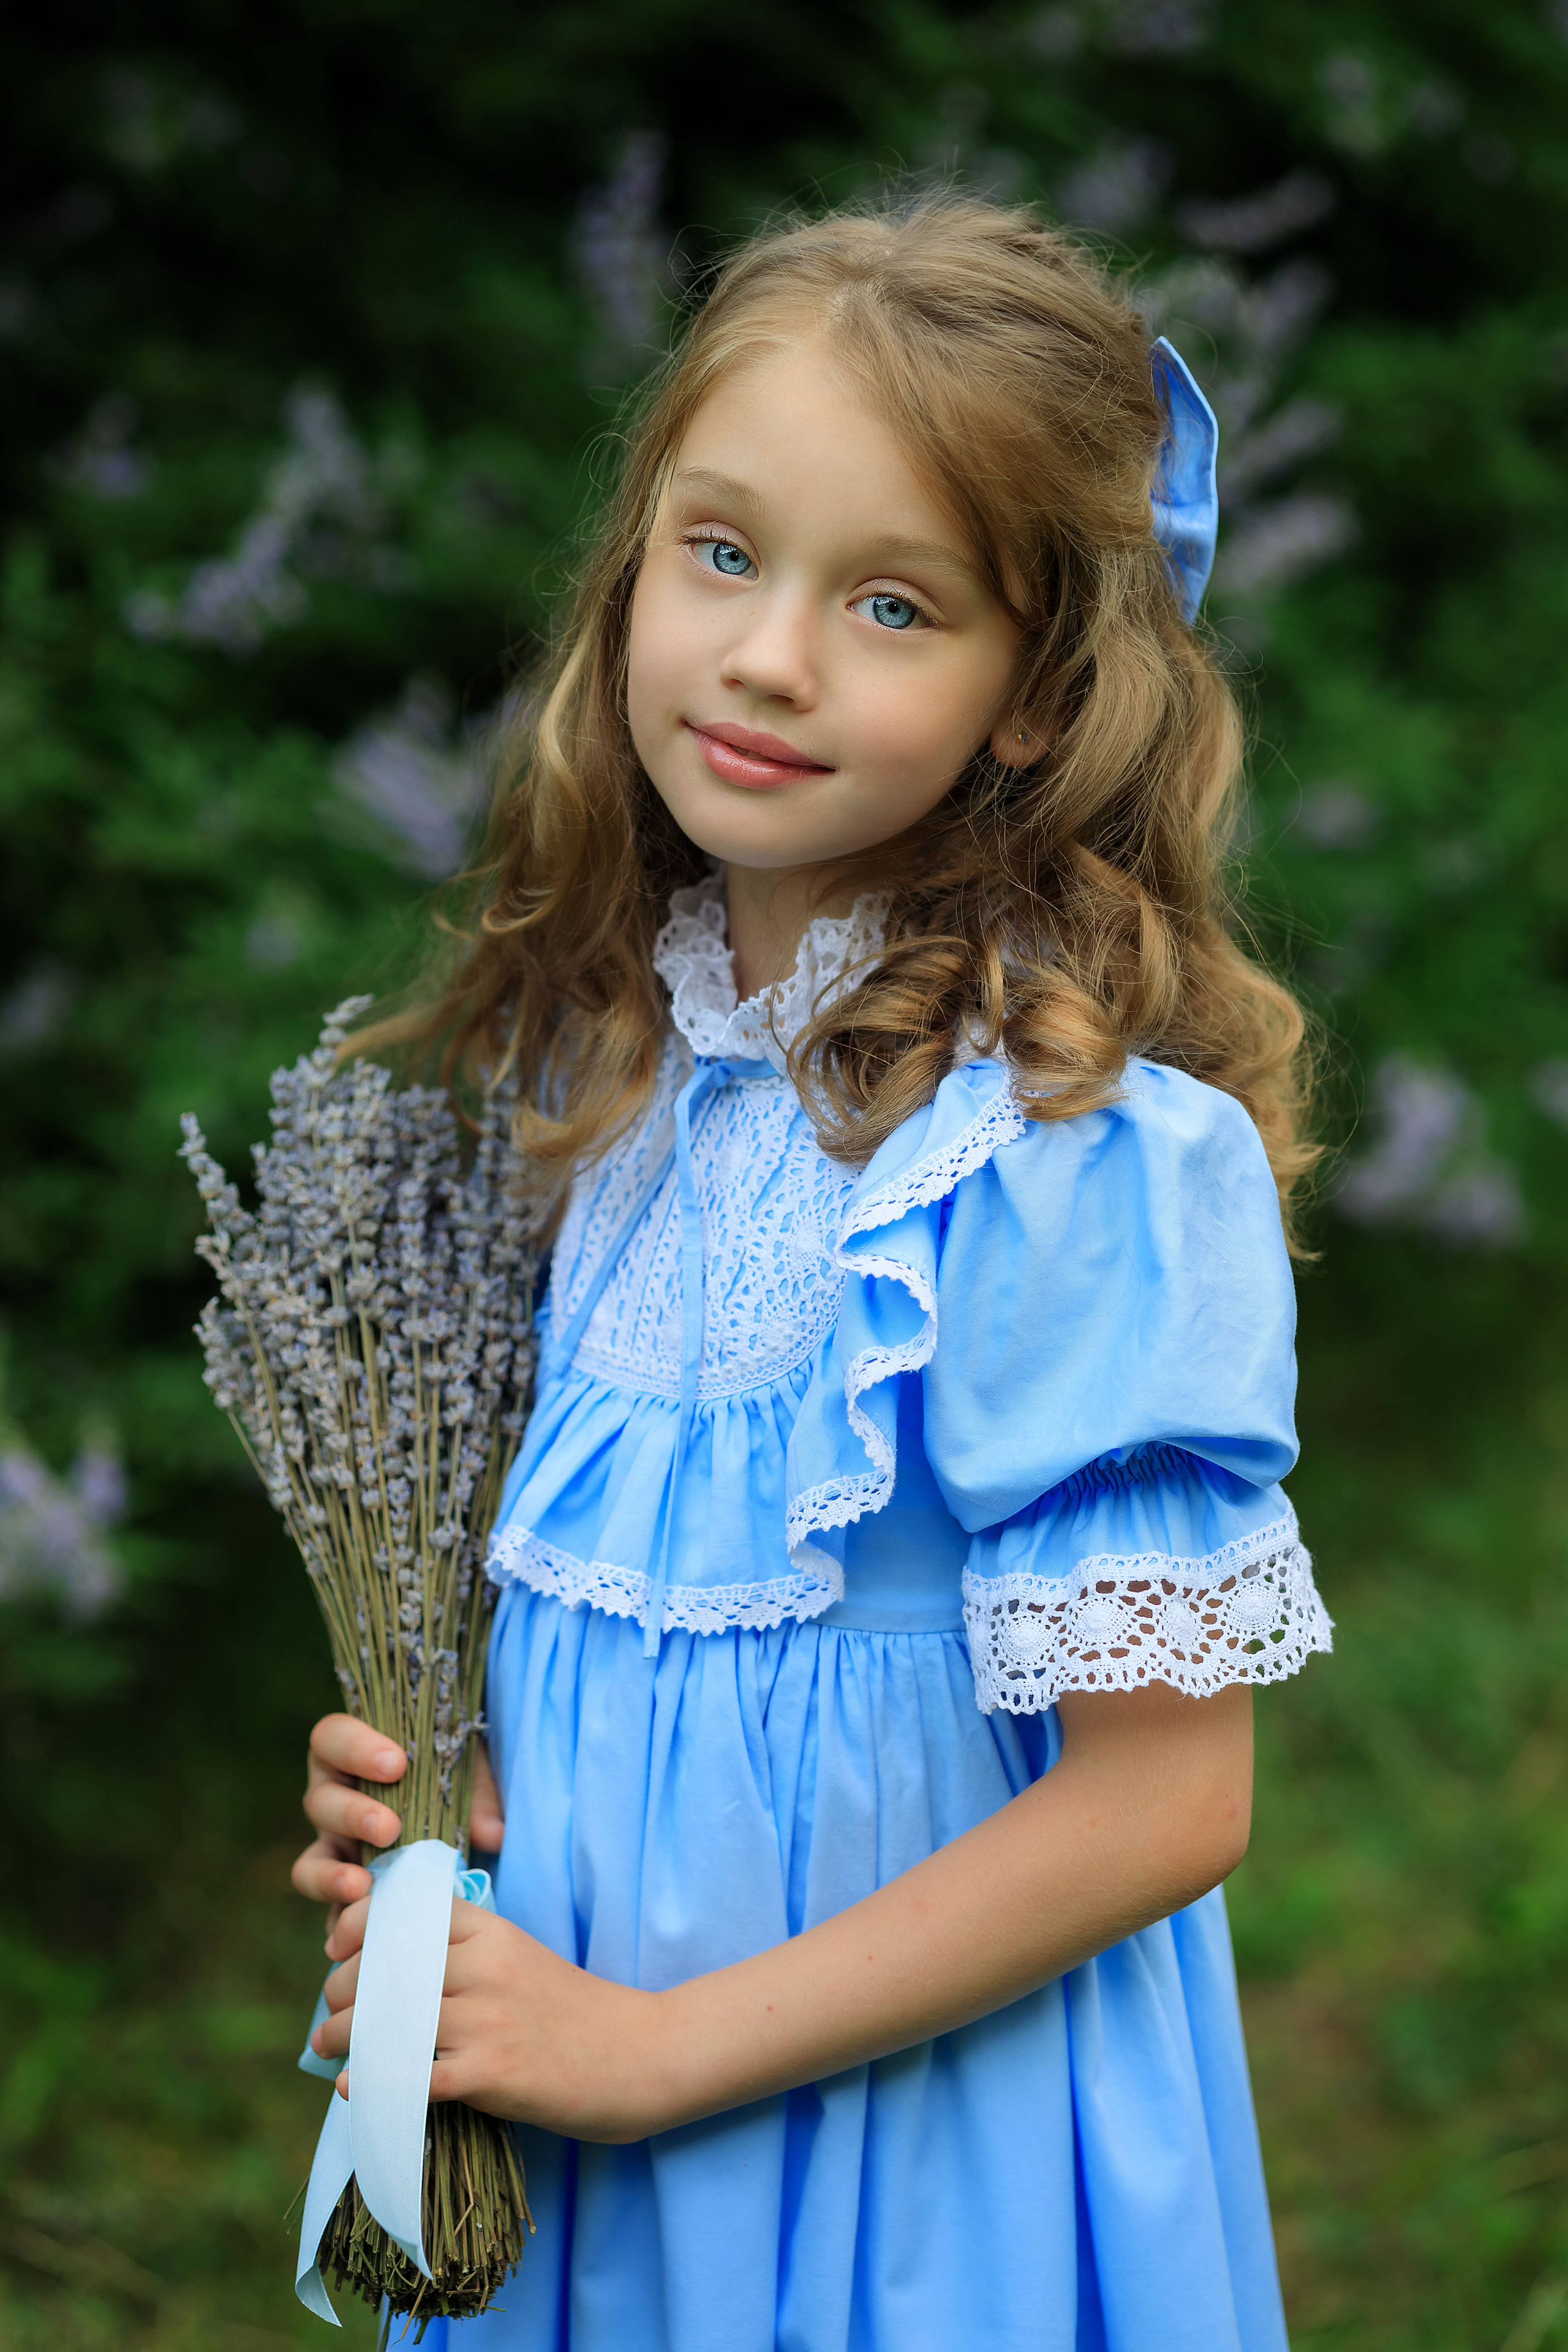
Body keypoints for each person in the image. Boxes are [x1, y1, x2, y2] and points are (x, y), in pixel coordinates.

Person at [290, 192, 1333, 2350]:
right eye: (723, 553)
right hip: (582, 2134)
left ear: (1040, 698)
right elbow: (645, 1662)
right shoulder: (621, 1082)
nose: (771, 656)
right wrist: (443, 1813)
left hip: (906, 2164)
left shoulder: (1062, 1165)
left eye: (891, 602)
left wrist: (655, 2055)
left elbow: (1167, 1800)